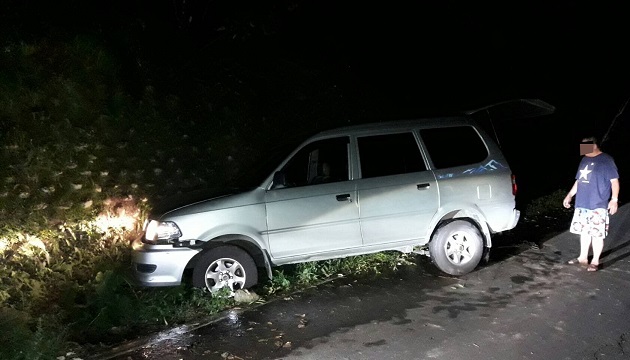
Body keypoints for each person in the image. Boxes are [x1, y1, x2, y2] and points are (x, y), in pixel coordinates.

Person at [562, 136, 620, 272]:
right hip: (582, 203)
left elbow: (614, 182)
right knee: (583, 232)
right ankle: (582, 257)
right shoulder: (584, 159)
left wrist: (614, 199)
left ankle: (595, 261)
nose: (583, 150)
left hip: (597, 204)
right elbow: (579, 181)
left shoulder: (606, 160)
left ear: (594, 145)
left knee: (596, 234)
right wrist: (569, 195)